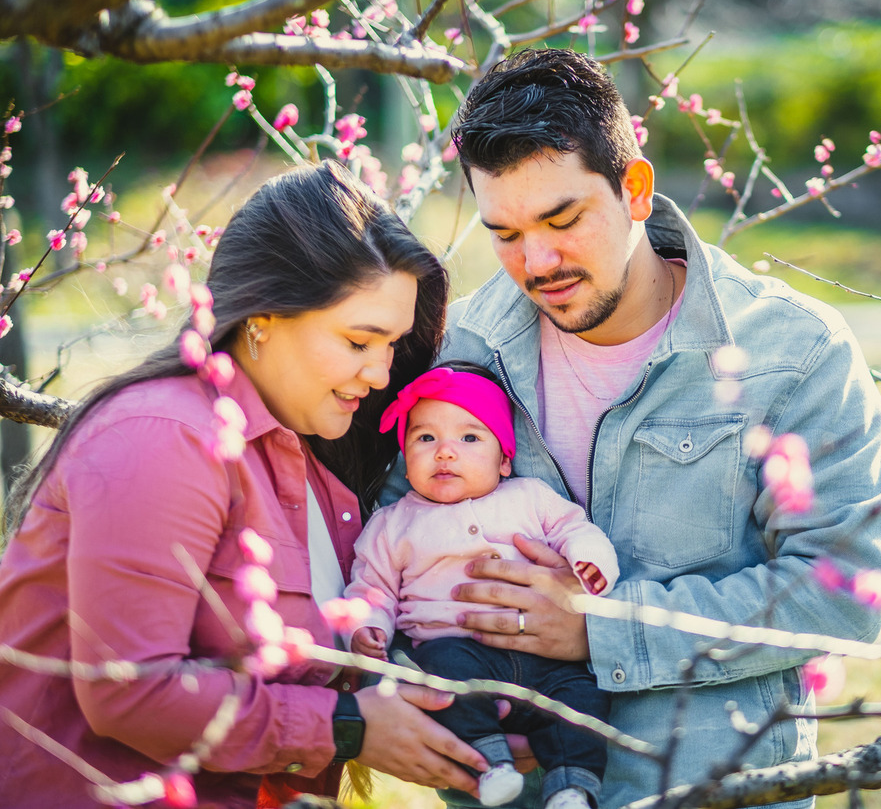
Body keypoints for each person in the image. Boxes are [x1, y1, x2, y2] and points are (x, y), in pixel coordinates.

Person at [380, 48, 881, 809]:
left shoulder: (795, 353)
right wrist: (442, 696)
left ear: (636, 189)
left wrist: (605, 630)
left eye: (563, 219)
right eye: (506, 232)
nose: (538, 260)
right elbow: (384, 558)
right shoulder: (457, 352)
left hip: (713, 788)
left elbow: (844, 593)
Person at [0, 161, 506, 808]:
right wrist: (345, 727)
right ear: (262, 319)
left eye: (393, 346)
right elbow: (130, 692)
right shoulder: (164, 435)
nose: (383, 374)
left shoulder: (314, 472)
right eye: (359, 341)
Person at [345, 360, 619, 809]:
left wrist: (590, 565)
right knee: (439, 677)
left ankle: (572, 787)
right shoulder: (393, 524)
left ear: (505, 459)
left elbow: (578, 530)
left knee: (583, 697)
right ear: (405, 459)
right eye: (425, 437)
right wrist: (367, 627)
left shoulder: (529, 497)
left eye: (469, 438)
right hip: (455, 650)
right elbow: (371, 586)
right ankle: (493, 765)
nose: (445, 452)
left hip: (547, 659)